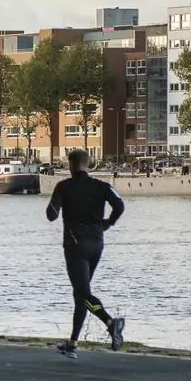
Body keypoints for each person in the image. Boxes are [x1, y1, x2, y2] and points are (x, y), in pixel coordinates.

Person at [45, 148, 126, 357]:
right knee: (82, 293)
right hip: (97, 244)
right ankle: (72, 343)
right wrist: (109, 223)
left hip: (75, 246)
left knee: (82, 294)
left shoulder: (64, 186)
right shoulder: (102, 186)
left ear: (71, 165)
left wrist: (57, 202)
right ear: (88, 164)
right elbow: (120, 204)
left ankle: (110, 322)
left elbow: (51, 216)